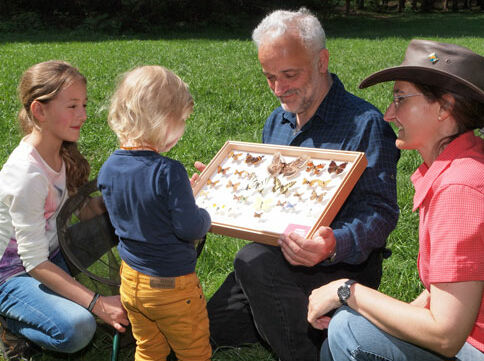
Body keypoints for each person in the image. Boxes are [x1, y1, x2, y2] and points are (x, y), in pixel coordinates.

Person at [198, 8, 400, 361]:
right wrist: (219, 187)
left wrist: (334, 243)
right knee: (206, 331)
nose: (279, 88)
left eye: (290, 74)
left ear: (322, 61)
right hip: (279, 256)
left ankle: (314, 348)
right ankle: (287, 318)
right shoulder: (277, 121)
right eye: (269, 76)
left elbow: (380, 215)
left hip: (341, 267)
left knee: (251, 260)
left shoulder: (365, 125)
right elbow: (269, 195)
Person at [308, 39, 484, 361]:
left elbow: (445, 334)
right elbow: (440, 293)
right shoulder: (463, 166)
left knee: (348, 329)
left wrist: (345, 290)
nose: (389, 114)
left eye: (400, 99)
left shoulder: (459, 189)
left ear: (444, 108)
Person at [0, 60, 129, 361]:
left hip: (54, 251)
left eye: (83, 104)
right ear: (39, 111)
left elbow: (87, 212)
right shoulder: (26, 176)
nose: (83, 115)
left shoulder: (61, 152)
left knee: (117, 222)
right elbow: (34, 264)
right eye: (72, 106)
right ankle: (11, 324)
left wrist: (136, 194)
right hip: (13, 275)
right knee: (79, 328)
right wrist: (98, 304)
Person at [97, 65, 212, 361]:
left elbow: (138, 208)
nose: (183, 129)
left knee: (148, 348)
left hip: (131, 282)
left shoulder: (109, 167)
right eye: (182, 120)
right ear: (163, 119)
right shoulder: (169, 171)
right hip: (171, 287)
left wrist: (178, 194)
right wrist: (204, 215)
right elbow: (189, 228)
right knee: (194, 352)